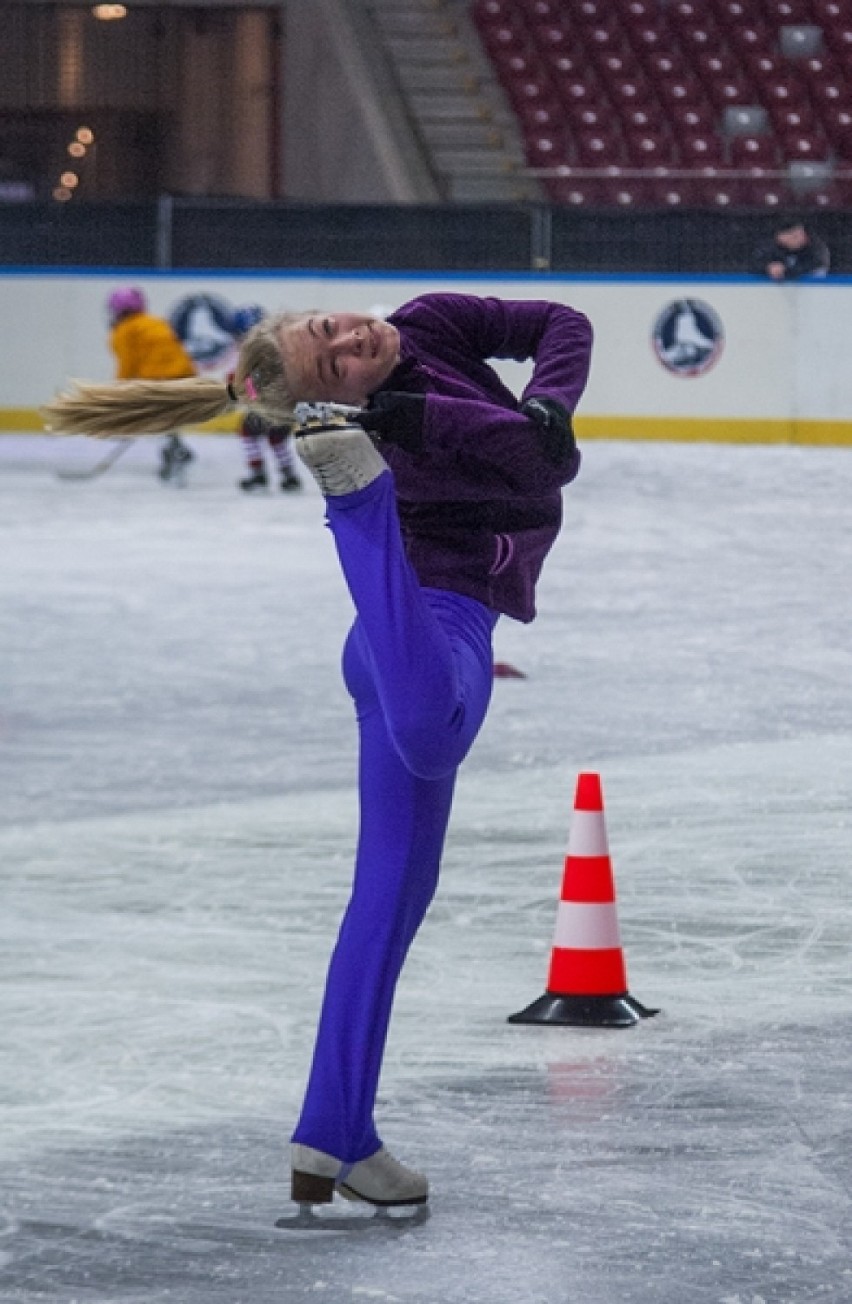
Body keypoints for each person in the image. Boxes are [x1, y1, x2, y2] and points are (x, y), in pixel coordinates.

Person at [41, 293, 593, 1209]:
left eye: (330, 327)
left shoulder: (431, 322)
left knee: (390, 899)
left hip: (389, 645)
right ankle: (360, 511)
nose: (350, 339)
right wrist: (414, 427)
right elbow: (539, 469)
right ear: (324, 408)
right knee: (435, 731)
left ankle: (335, 1132)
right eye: (332, 362)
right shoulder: (381, 430)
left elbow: (560, 333)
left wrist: (552, 397)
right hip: (432, 624)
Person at [106, 287, 198, 482]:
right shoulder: (156, 322)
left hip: (158, 379)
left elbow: (127, 364)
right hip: (184, 376)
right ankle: (176, 450)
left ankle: (175, 451)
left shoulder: (124, 331)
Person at [230, 305, 302, 493]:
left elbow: (251, 381)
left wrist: (246, 394)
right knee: (275, 438)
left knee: (251, 433)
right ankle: (288, 475)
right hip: (277, 404)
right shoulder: (278, 346)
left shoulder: (260, 351)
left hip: (268, 404)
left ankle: (260, 474)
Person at [752, 218, 830, 281]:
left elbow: (817, 264)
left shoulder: (816, 248)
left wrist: (786, 270)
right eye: (793, 236)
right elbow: (754, 262)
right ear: (780, 238)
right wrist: (768, 267)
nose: (799, 238)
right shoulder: (770, 247)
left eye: (800, 235)